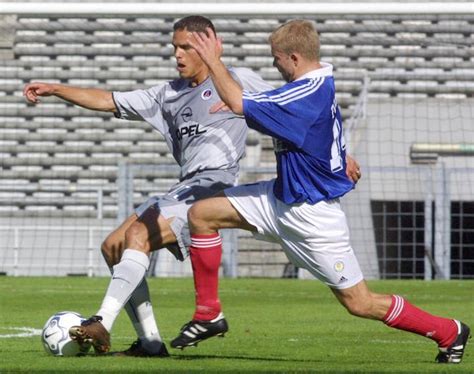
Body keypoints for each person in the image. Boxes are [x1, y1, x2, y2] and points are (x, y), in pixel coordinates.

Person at [23, 15, 362, 357]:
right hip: (184, 187)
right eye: (175, 47)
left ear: (208, 47)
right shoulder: (167, 94)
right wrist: (56, 89)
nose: (179, 54)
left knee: (136, 235)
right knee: (112, 246)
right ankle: (151, 343)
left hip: (212, 187)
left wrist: (339, 155)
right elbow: (108, 99)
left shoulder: (238, 80)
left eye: (186, 46)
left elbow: (299, 110)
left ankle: (102, 321)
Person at [170, 20, 470, 364]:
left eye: (276, 59)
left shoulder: (304, 94)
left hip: (314, 218)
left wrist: (213, 61)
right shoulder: (314, 83)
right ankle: (208, 314)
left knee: (359, 303)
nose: (274, 65)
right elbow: (297, 114)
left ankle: (449, 331)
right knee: (202, 214)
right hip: (278, 199)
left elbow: (245, 103)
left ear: (294, 58)